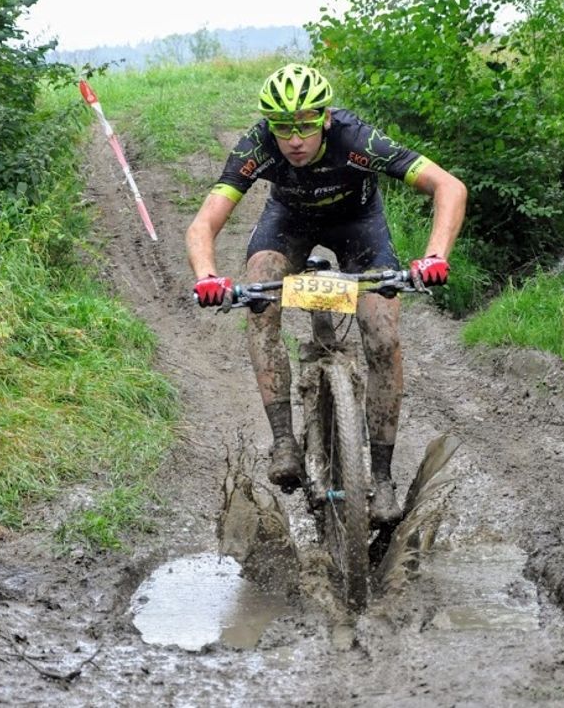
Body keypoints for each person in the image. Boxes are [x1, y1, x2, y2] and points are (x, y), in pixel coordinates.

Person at [185, 63, 466, 525]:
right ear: (269, 126)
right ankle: (284, 442)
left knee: (382, 335)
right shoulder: (257, 145)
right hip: (289, 224)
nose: (294, 139)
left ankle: (382, 477)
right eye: (282, 127)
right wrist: (207, 276)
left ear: (326, 119)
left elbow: (448, 186)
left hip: (358, 226)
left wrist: (435, 256)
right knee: (260, 284)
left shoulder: (356, 140)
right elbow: (204, 223)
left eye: (305, 125)